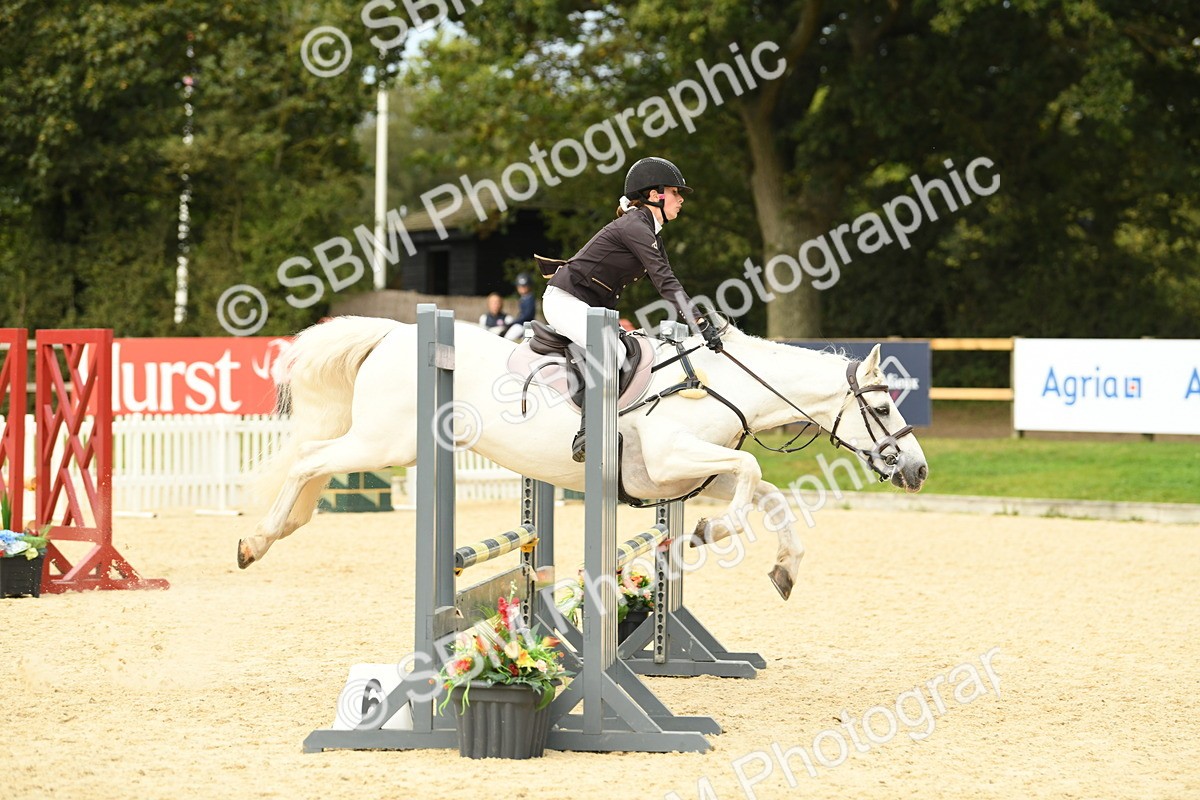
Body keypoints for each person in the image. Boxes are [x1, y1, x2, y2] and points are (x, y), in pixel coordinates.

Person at [540, 156, 722, 461]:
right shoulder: (634, 226)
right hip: (565, 300)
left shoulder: (648, 230)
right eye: (676, 193)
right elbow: (666, 281)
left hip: (591, 307)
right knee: (611, 348)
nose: (680, 200)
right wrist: (699, 320)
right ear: (654, 195)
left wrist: (699, 319)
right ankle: (588, 431)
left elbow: (665, 280)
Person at [504, 273, 538, 340]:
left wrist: (515, 321)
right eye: (520, 286)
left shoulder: (530, 298)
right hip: (522, 323)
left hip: (525, 324)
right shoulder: (524, 298)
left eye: (524, 286)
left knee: (507, 338)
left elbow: (527, 315)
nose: (522, 288)